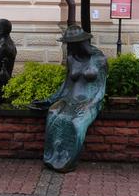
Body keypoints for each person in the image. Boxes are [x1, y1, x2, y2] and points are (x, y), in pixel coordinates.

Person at [30, 25, 107, 172]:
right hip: (69, 98)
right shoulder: (71, 59)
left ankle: (68, 160)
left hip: (90, 101)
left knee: (76, 122)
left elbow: (101, 88)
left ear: (81, 43)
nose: (69, 46)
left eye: (71, 43)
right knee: (53, 114)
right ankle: (53, 156)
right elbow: (65, 86)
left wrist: (90, 105)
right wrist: (48, 100)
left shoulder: (99, 59)